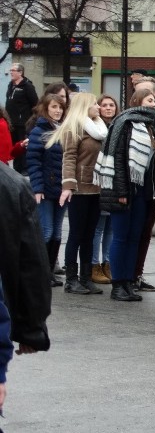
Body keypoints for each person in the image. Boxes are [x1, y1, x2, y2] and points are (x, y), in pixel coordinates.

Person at [0, 161, 52, 433]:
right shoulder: (10, 183)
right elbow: (31, 262)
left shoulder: (10, 184)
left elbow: (31, 260)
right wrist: (30, 327)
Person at [95, 88, 155, 302]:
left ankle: (128, 282)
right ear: (138, 101)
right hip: (123, 190)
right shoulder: (125, 123)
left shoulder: (149, 126)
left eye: (154, 100)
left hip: (141, 190)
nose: (154, 103)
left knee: (134, 237)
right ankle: (117, 284)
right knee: (121, 237)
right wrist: (122, 191)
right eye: (150, 100)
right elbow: (119, 159)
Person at [51, 93, 108, 295]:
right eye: (94, 103)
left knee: (89, 235)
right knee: (76, 234)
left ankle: (86, 278)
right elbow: (69, 158)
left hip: (97, 188)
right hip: (80, 189)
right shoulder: (74, 127)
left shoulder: (100, 127)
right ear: (84, 106)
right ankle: (71, 280)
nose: (98, 107)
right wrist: (68, 186)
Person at [125, 78, 155, 294]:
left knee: (144, 233)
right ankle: (125, 274)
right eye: (141, 95)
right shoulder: (126, 121)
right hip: (132, 185)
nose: (148, 102)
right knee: (130, 233)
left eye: (150, 97)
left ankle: (137, 274)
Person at [25, 94, 68, 288]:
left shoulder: (64, 129)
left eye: (60, 107)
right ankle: (38, 273)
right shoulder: (39, 130)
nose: (58, 111)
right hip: (45, 189)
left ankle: (49, 272)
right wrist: (38, 188)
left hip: (61, 189)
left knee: (57, 233)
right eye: (54, 107)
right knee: (47, 231)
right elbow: (33, 162)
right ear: (46, 108)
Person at [91, 95, 118, 285]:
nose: (108, 108)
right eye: (104, 105)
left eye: (111, 105)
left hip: (115, 183)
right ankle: (94, 265)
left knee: (111, 227)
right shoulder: (95, 128)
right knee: (99, 227)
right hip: (100, 182)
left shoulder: (118, 125)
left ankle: (107, 262)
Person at [4, 63, 38, 173]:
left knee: (23, 144)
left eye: (13, 70)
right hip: (11, 122)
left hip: (23, 122)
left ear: (20, 72)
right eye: (10, 70)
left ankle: (24, 168)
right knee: (15, 146)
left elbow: (35, 103)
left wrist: (31, 119)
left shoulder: (27, 86)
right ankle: (17, 168)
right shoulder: (11, 85)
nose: (11, 72)